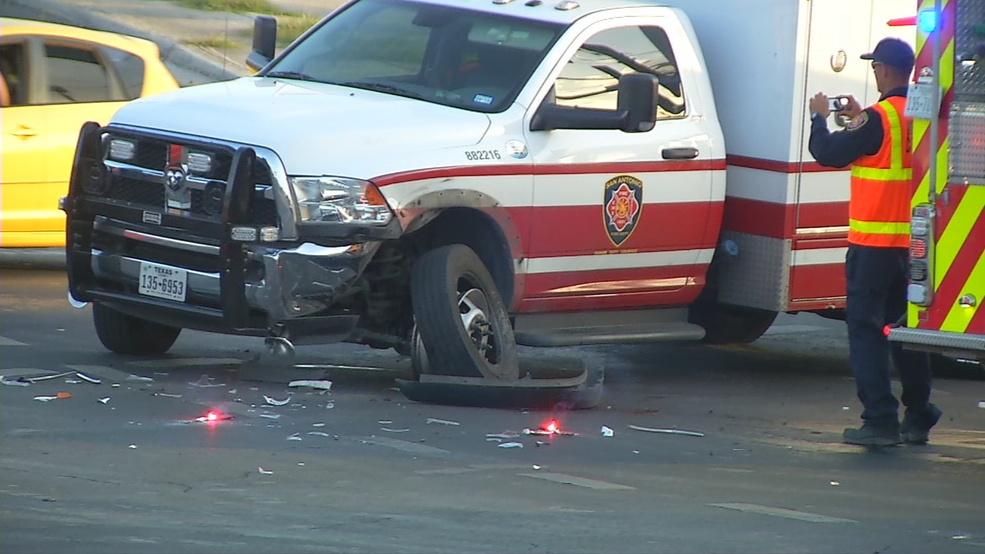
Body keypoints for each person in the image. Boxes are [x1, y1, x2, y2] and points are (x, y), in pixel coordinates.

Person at [808, 38, 942, 447]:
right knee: (905, 331)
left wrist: (819, 118)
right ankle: (919, 412)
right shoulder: (920, 116)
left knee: (866, 331)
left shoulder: (878, 117)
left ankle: (881, 419)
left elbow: (827, 152)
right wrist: (855, 117)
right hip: (915, 247)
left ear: (883, 70)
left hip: (873, 248)